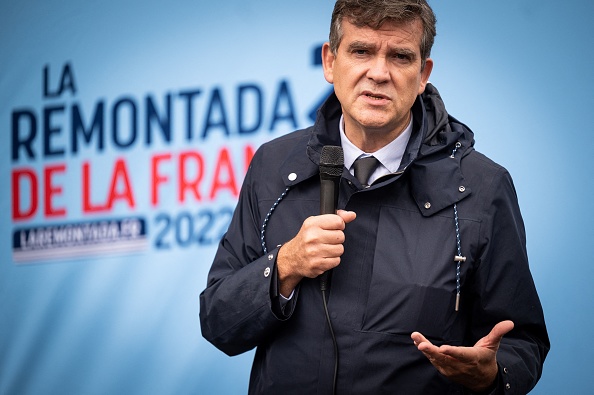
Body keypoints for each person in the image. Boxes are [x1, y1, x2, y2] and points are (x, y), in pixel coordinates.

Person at [199, 0, 549, 393]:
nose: (378, 73)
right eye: (361, 50)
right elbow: (218, 322)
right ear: (330, 62)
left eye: (400, 56)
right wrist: (284, 265)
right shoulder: (272, 165)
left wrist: (492, 373)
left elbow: (523, 343)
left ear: (423, 74)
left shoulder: (483, 186)